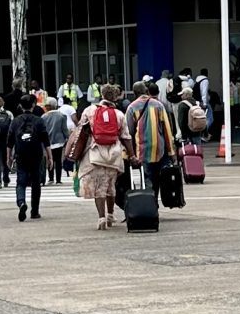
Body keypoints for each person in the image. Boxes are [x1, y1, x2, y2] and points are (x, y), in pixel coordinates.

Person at [125, 77, 178, 209]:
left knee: (148, 178)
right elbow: (167, 129)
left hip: (143, 151)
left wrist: (128, 154)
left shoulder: (131, 108)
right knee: (160, 178)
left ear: (134, 93)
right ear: (146, 91)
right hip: (160, 149)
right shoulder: (158, 105)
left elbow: (128, 133)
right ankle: (155, 200)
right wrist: (171, 151)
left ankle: (151, 204)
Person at [80, 86, 126, 230]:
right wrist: (132, 154)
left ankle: (101, 217)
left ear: (101, 94)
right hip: (113, 154)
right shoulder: (119, 114)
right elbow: (126, 136)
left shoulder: (89, 111)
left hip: (95, 153)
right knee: (110, 186)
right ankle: (111, 215)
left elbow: (81, 130)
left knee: (99, 187)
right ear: (116, 97)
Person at [10, 96, 48, 222]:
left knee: (20, 182)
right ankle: (35, 211)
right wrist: (50, 156)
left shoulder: (15, 121)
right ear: (33, 105)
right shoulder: (39, 121)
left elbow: (9, 141)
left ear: (21, 106)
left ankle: (21, 203)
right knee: (36, 183)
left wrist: (8, 157)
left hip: (21, 155)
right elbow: (45, 139)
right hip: (36, 155)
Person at [44, 93, 72, 184]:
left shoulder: (43, 117)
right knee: (58, 160)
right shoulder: (62, 116)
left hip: (48, 142)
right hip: (59, 141)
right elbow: (64, 130)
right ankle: (58, 180)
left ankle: (51, 178)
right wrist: (68, 138)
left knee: (49, 159)